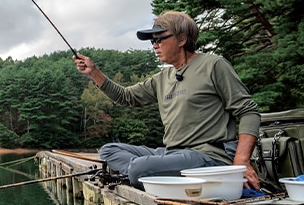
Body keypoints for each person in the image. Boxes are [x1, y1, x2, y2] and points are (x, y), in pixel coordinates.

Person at [73, 11, 261, 190]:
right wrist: (94, 72)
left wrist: (241, 161)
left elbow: (248, 111)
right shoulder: (162, 77)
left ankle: (144, 174)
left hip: (208, 156)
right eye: (152, 41)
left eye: (159, 39)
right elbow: (126, 96)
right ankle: (149, 174)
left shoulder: (213, 65)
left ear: (182, 39)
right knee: (109, 150)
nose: (154, 45)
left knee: (140, 168)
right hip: (171, 153)